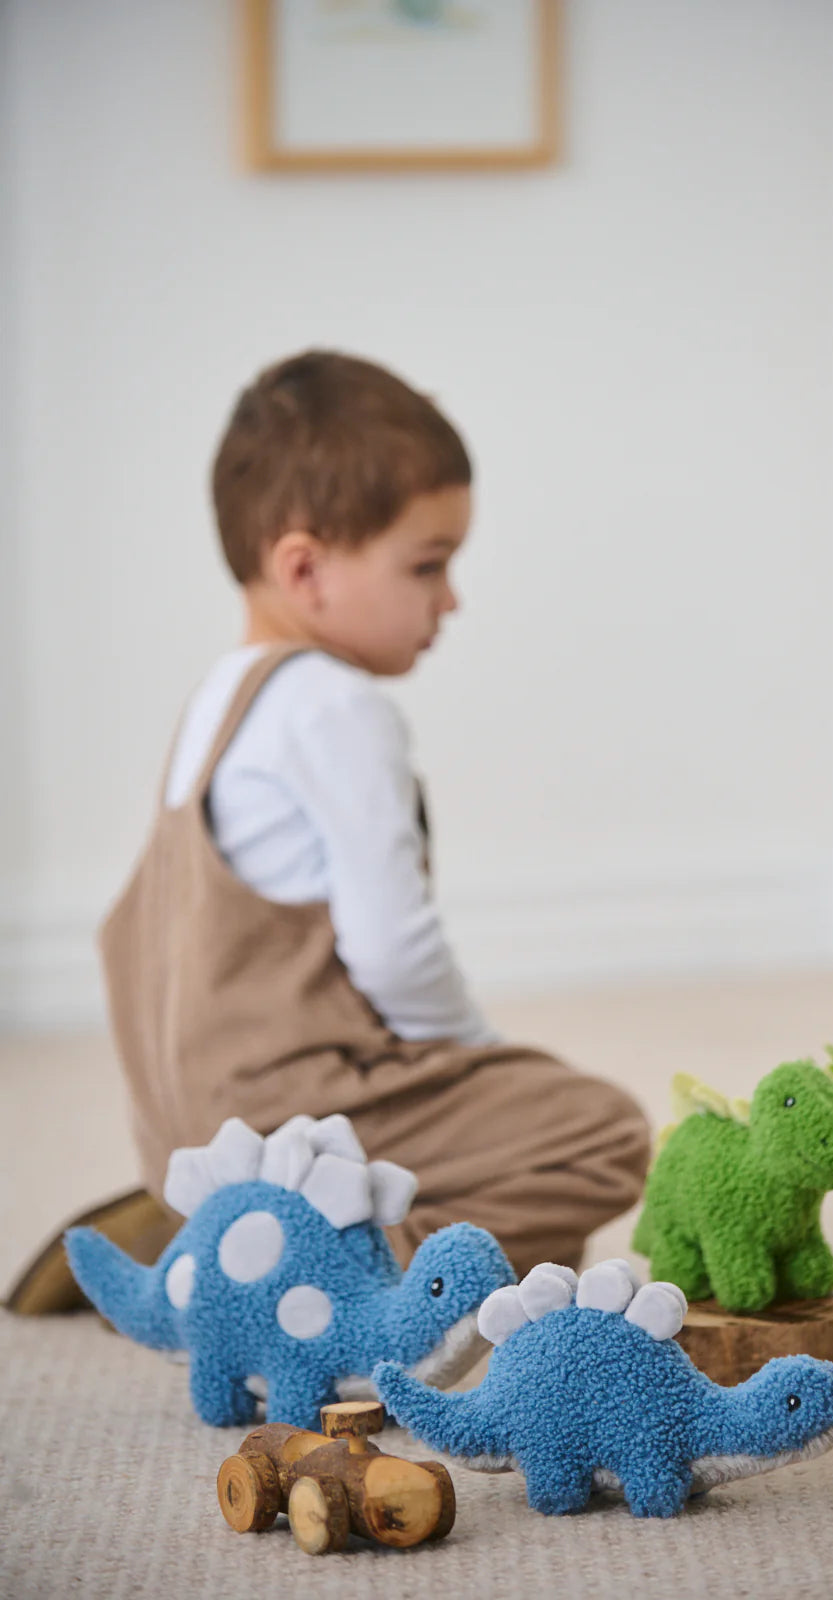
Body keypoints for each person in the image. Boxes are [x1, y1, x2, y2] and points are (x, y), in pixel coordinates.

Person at [97, 350, 650, 1280]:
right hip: (295, 1107)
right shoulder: (335, 706)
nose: (451, 598)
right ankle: (332, 1281)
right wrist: (476, 1051)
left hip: (184, 1138)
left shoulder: (216, 703)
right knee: (602, 1132)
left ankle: (217, 1227)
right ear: (305, 569)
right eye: (427, 565)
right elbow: (393, 953)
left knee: (541, 1240)